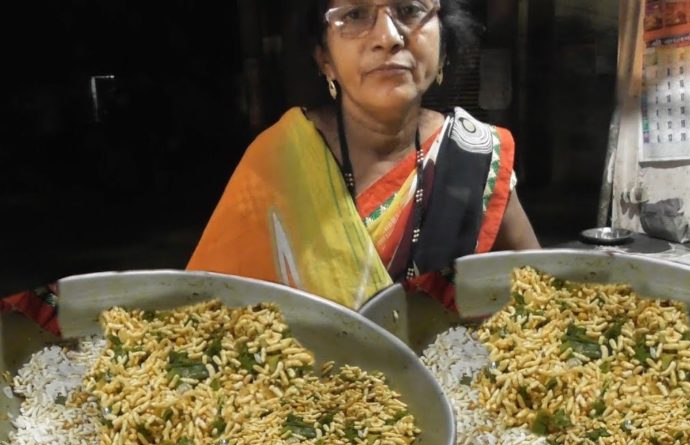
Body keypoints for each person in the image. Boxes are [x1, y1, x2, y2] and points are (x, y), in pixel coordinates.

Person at [187, 0, 540, 310]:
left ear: (444, 43)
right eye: (355, 15)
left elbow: (546, 303)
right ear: (323, 55)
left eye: (409, 10)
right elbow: (205, 321)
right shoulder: (277, 161)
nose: (388, 37)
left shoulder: (476, 155)